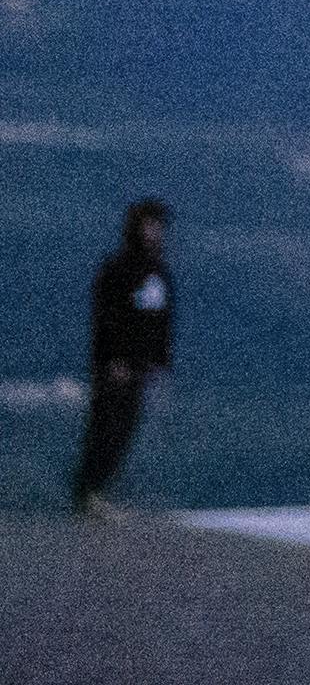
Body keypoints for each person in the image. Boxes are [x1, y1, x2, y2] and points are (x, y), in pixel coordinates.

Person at [71, 200, 173, 516]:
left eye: (158, 225)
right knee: (106, 426)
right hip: (115, 365)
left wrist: (161, 360)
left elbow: (163, 319)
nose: (154, 231)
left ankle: (97, 492)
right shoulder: (118, 269)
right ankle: (88, 491)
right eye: (148, 224)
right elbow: (106, 318)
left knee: (126, 428)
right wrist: (113, 357)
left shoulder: (159, 271)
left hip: (141, 366)